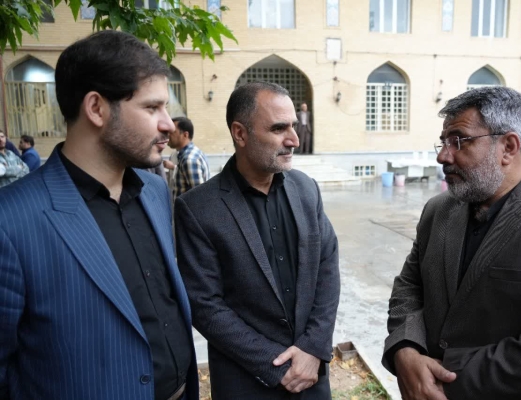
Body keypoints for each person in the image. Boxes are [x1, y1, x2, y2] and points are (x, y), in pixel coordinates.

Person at [0, 31, 199, 400]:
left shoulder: (154, 191)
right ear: (96, 108)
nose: (169, 124)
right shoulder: (11, 222)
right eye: (152, 107)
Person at [382, 86, 521, 400]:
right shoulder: (438, 210)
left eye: (458, 140)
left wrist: (444, 377)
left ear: (508, 147)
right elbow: (409, 286)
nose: (443, 156)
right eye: (443, 142)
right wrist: (405, 350)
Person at [175, 82, 340, 399]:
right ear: (240, 133)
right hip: (246, 380)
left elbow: (327, 266)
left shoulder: (306, 188)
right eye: (279, 128)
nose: (294, 140)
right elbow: (204, 305)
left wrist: (313, 347)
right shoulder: (198, 208)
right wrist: (276, 365)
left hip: (312, 376)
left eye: (293, 126)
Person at [166, 116, 210, 197]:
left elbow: (200, 197)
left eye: (172, 132)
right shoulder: (189, 153)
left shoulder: (189, 159)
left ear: (185, 135)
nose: (168, 135)